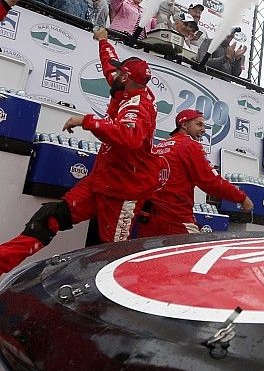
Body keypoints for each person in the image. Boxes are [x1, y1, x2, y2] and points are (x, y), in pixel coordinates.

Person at [0, 27, 162, 274]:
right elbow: (110, 67)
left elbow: (128, 137)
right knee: (48, 218)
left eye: (119, 72)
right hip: (103, 181)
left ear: (126, 78)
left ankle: (110, 308)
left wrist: (87, 121)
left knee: (113, 258)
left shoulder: (140, 108)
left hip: (124, 192)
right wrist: (104, 41)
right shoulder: (125, 85)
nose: (113, 74)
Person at [137, 109, 253, 237]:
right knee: (190, 255)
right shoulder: (190, 146)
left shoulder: (158, 147)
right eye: (199, 124)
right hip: (175, 220)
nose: (203, 129)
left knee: (151, 257)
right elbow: (210, 182)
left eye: (204, 125)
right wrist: (241, 198)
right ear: (184, 125)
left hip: (147, 220)